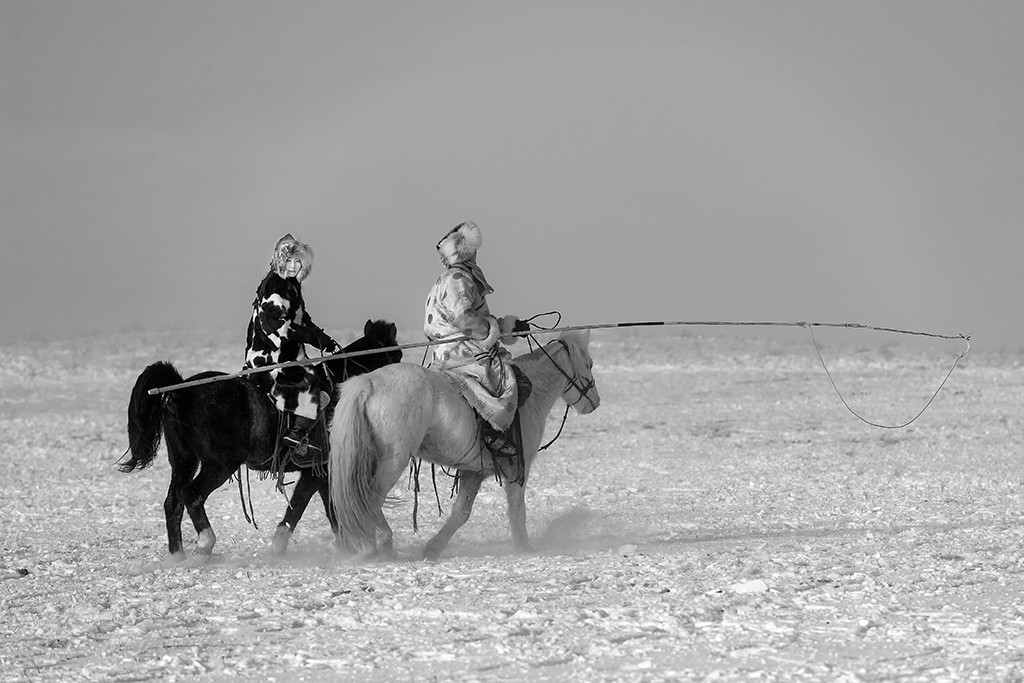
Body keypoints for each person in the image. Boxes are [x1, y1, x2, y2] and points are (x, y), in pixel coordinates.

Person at [424, 221, 530, 459]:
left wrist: (506, 327)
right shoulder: (457, 278)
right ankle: (492, 434)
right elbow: (463, 318)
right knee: (510, 378)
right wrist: (490, 334)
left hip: (458, 345)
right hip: (459, 350)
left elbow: (476, 318)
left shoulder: (455, 277)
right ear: (467, 251)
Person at [244, 233, 342, 458]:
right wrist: (307, 335)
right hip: (270, 355)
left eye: (298, 262)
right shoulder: (274, 285)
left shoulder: (291, 287)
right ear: (280, 260)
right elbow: (277, 326)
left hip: (288, 352)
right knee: (312, 385)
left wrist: (320, 337)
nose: (294, 266)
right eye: (289, 261)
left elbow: (300, 318)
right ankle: (296, 436)